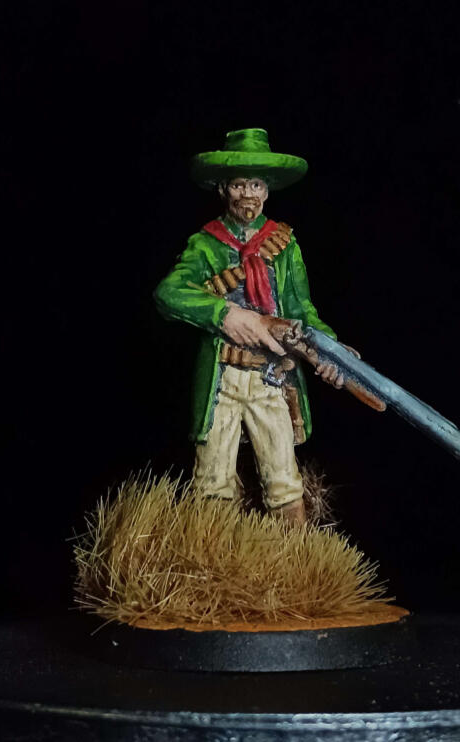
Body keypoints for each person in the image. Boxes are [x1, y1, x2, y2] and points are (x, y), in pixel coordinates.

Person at [154, 128, 343, 525]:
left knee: (284, 483)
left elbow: (302, 310)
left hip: (272, 376)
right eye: (239, 184)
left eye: (256, 185)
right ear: (224, 189)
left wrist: (331, 350)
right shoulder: (206, 244)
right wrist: (226, 315)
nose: (248, 194)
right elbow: (168, 294)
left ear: (267, 191)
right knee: (212, 485)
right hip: (222, 378)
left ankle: (296, 555)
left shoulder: (284, 244)